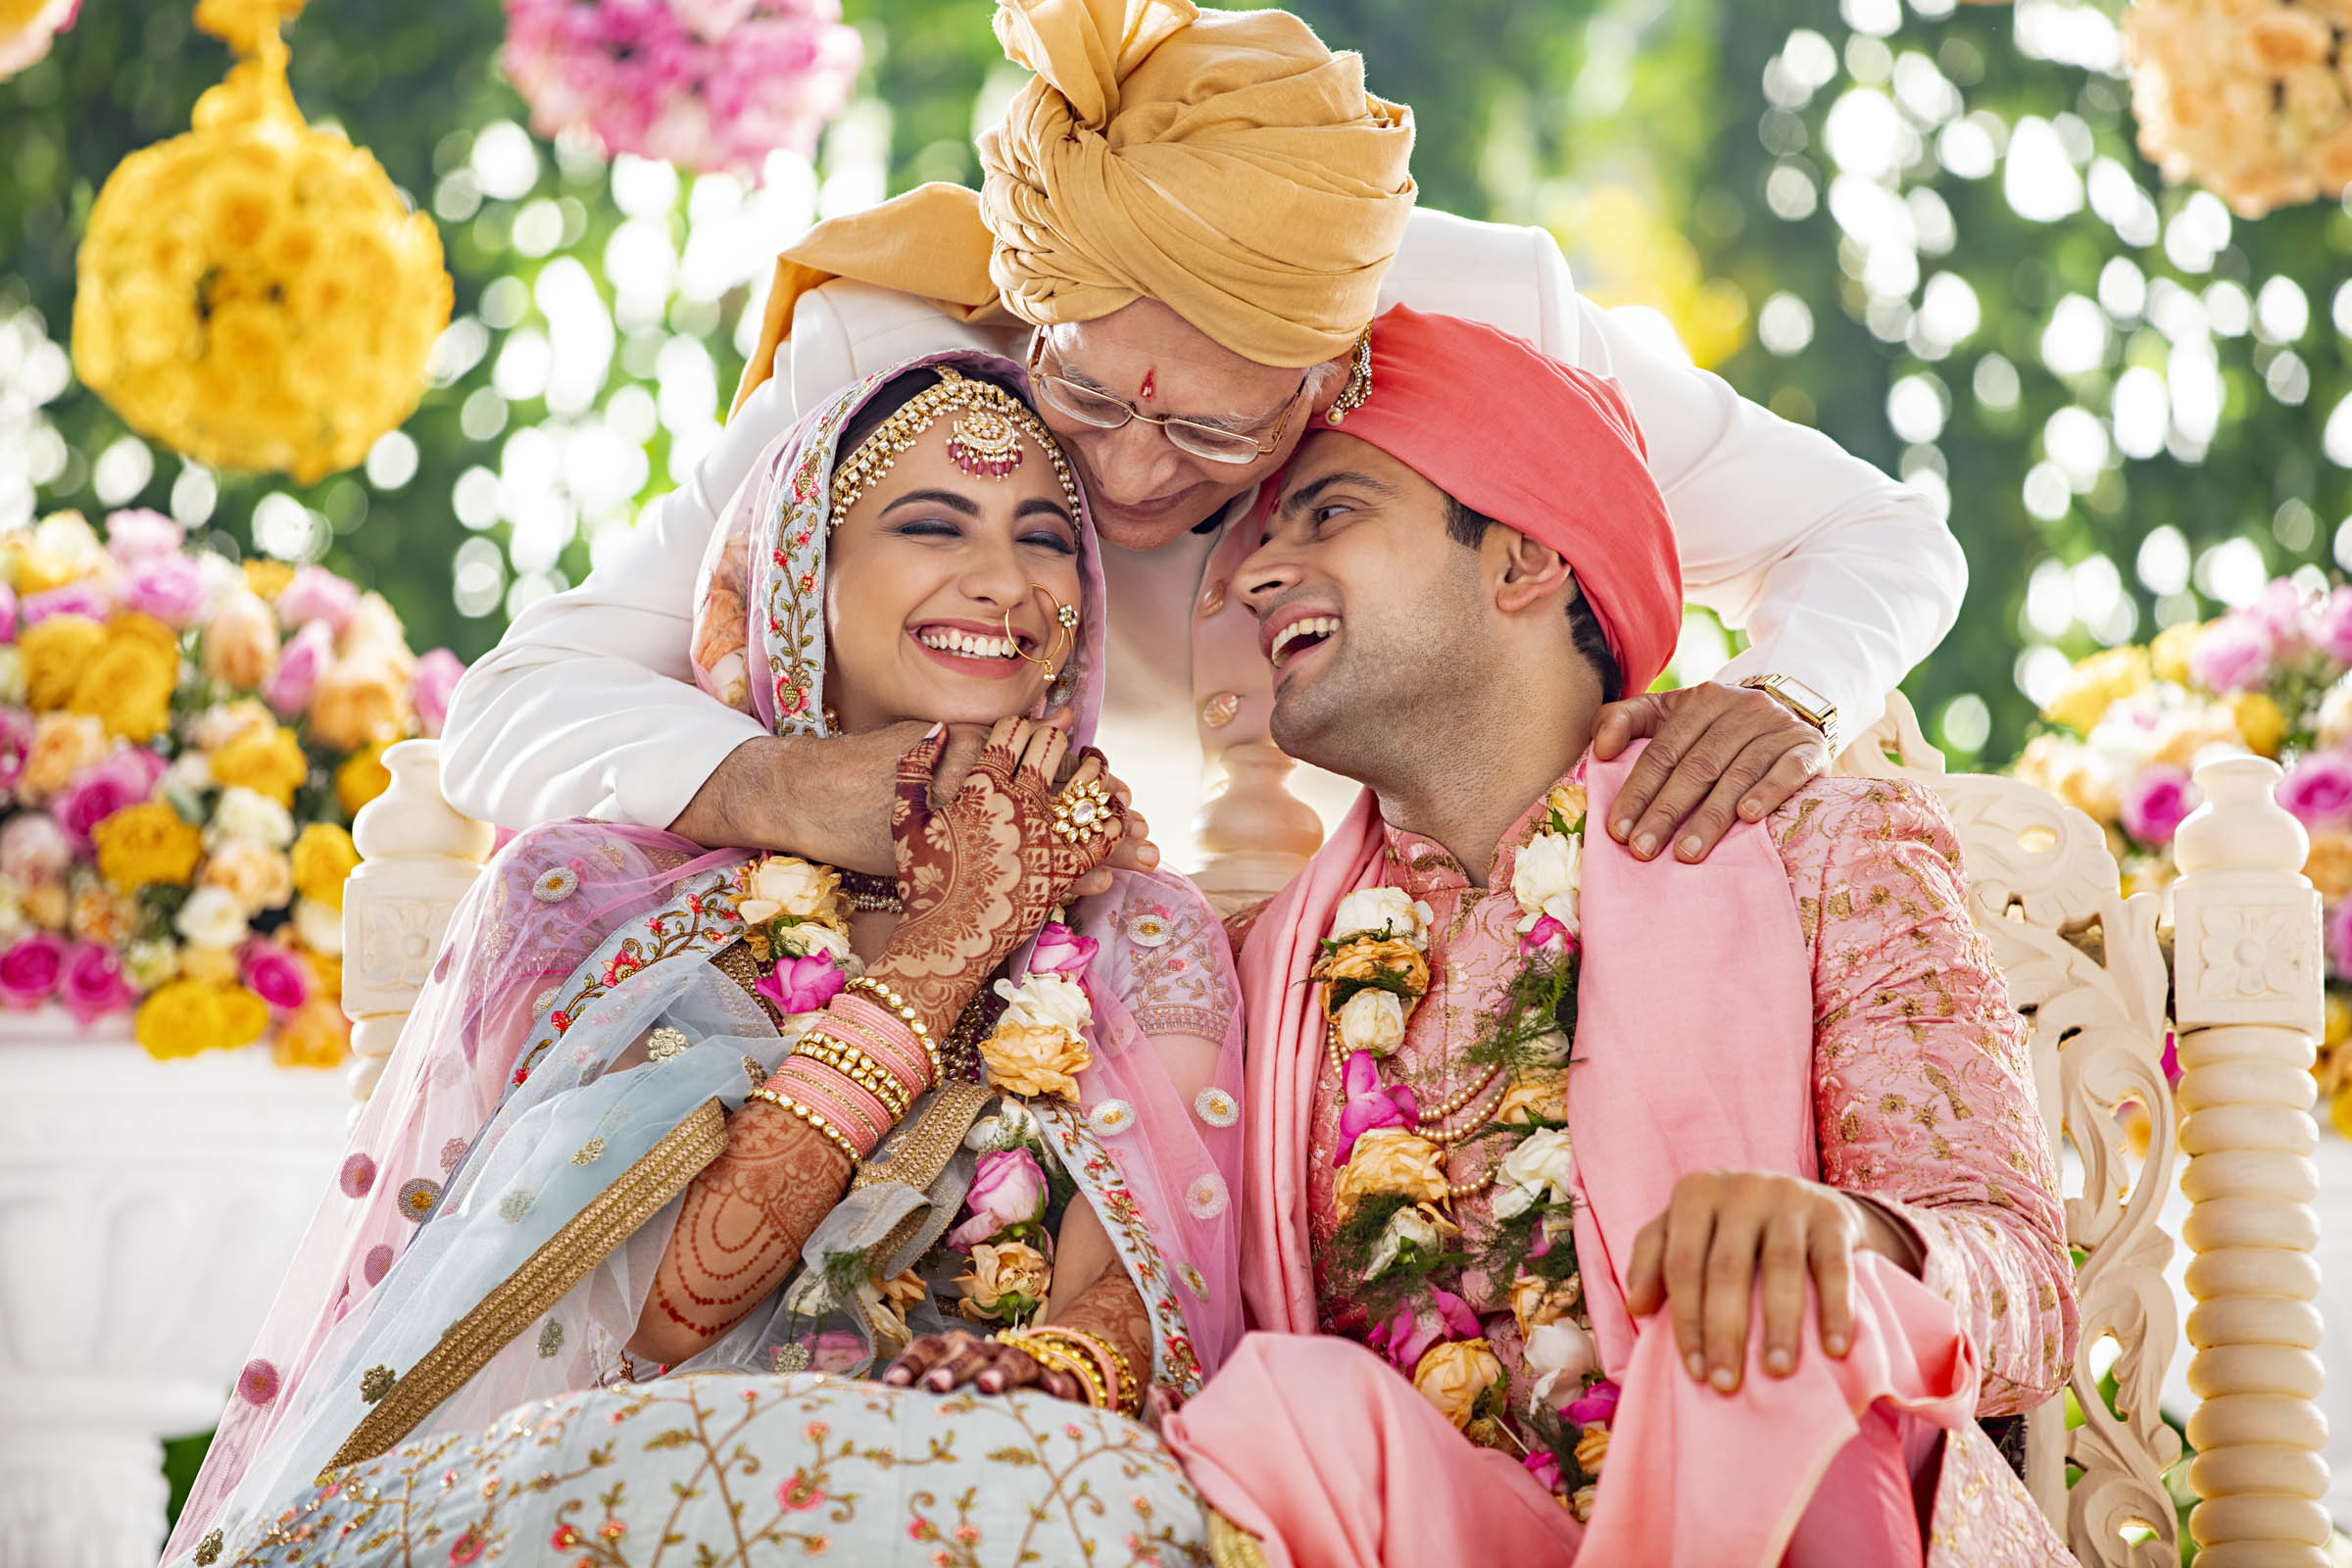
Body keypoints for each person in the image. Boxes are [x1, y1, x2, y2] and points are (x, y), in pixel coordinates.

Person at [439, 0, 1966, 903]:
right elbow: (518, 701)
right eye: (1087, 398)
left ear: (1337, 372)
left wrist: (1786, 696)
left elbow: (1878, 533)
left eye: (1217, 429)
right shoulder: (889, 356)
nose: (1129, 475)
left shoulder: (1491, 323)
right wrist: (783, 788)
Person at [166, 355, 1249, 1567]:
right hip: (629, 1492)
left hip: (983, 1495)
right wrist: (958, 940)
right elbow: (667, 1313)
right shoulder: (610, 900)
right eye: (933, 524)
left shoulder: (1138, 926)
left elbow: (1139, 1293)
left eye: (1045, 540)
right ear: (800, 575)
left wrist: (1034, 1378)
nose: (1005, 581)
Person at [1160, 308, 2076, 1566]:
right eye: (1265, 538)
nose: (1261, 574)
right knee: (1288, 1407)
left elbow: (2027, 1289)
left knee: (1755, 1317)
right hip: (1462, 1532)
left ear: (1525, 558)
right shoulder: (1256, 975)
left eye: (1329, 514)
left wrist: (1855, 1242)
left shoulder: (1818, 851)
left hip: (1784, 1497)